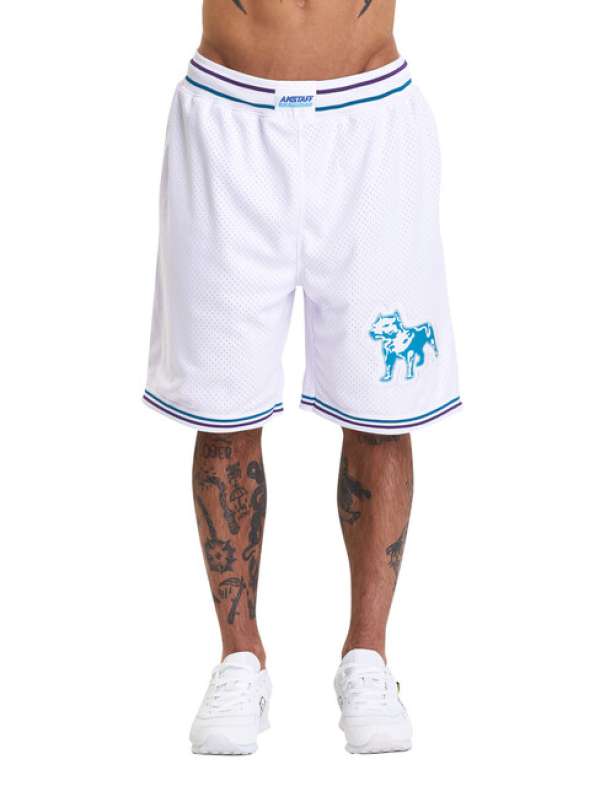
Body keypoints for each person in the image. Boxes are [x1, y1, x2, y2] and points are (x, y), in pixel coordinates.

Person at [143, 0, 460, 755]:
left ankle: (369, 655)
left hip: (369, 123)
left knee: (381, 407)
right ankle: (240, 657)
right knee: (224, 410)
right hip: (228, 118)